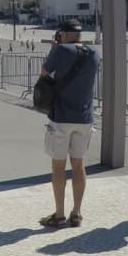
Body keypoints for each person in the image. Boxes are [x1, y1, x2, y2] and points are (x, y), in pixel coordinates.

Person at [37, 18, 99, 228]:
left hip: (61, 118)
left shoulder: (60, 50)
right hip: (84, 118)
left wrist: (55, 49)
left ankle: (60, 213)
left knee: (58, 166)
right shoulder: (94, 53)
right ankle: (77, 212)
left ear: (62, 34)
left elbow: (44, 73)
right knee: (79, 165)